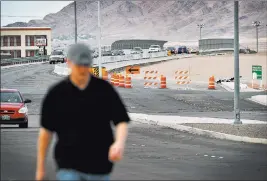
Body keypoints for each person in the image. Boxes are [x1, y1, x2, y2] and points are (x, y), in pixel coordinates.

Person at [35, 43, 130, 180]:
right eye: (79, 65)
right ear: (69, 63)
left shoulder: (104, 90)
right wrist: (40, 168)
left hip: (100, 166)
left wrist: (119, 143)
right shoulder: (57, 93)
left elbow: (121, 120)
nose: (82, 69)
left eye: (86, 65)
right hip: (68, 165)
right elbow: (46, 132)